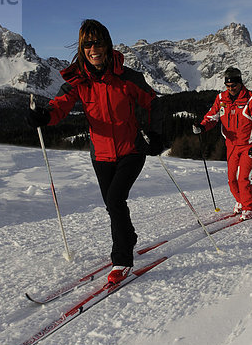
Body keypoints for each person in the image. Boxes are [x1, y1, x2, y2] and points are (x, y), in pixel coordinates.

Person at [27, 19, 164, 284]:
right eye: (88, 44)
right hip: (100, 156)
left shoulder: (127, 78)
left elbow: (153, 104)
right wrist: (43, 117)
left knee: (115, 201)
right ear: (82, 48)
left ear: (108, 45)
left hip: (131, 150)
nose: (94, 49)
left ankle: (122, 259)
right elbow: (59, 106)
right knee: (113, 207)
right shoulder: (79, 80)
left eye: (98, 42)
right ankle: (130, 237)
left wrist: (156, 136)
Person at [193, 67, 252, 220]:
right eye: (228, 86)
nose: (231, 89)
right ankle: (240, 201)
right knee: (232, 179)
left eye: (234, 86)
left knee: (244, 177)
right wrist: (202, 126)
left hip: (248, 145)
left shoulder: (251, 99)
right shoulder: (221, 99)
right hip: (231, 145)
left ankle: (248, 207)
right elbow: (212, 117)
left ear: (240, 83)